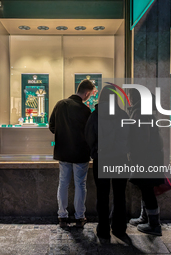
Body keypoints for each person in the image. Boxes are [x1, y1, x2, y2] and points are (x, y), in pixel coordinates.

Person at [85, 85, 129, 240]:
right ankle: (119, 227)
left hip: (102, 160)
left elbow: (89, 136)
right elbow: (129, 137)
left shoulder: (95, 115)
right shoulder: (123, 115)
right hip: (121, 160)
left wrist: (96, 151)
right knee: (119, 195)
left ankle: (103, 228)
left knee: (102, 195)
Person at [49, 79, 95, 228]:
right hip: (81, 153)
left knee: (63, 182)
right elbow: (90, 133)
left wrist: (63, 136)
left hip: (63, 152)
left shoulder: (60, 104)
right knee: (80, 184)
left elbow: (52, 126)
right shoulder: (85, 110)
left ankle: (62, 216)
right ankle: (80, 217)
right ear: (87, 93)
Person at [127, 89, 165, 236]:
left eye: (129, 95)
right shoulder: (144, 111)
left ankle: (154, 224)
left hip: (146, 159)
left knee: (147, 190)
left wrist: (135, 156)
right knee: (145, 188)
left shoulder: (140, 112)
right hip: (150, 157)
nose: (128, 97)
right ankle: (146, 217)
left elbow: (142, 139)